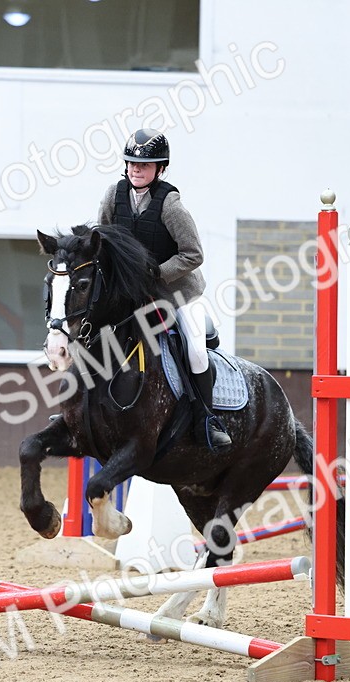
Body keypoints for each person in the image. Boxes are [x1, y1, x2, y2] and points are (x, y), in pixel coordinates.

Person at [98, 128, 231, 452]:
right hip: (129, 295)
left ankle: (206, 419)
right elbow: (101, 242)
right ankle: (80, 409)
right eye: (131, 163)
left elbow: (193, 254)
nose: (135, 170)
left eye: (144, 165)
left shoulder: (170, 205)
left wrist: (156, 273)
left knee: (197, 350)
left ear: (160, 169)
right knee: (89, 331)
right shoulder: (112, 196)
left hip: (175, 294)